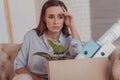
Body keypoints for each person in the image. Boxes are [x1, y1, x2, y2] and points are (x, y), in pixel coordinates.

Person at [13, 0, 84, 80]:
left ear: (64, 19)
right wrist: (36, 79)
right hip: (33, 78)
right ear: (44, 18)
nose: (56, 22)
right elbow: (18, 65)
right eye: (51, 17)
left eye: (60, 17)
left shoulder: (70, 40)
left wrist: (72, 25)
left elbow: (80, 56)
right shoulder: (31, 36)